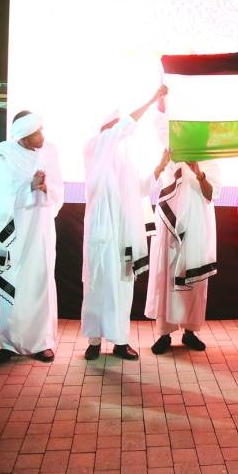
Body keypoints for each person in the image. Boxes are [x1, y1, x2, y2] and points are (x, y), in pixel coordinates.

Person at [80, 87, 166, 361]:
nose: (120, 132)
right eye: (115, 126)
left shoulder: (122, 160)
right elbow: (125, 126)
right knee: (97, 286)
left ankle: (120, 341)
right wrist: (152, 99)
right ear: (107, 128)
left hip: (123, 236)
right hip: (102, 233)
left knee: (122, 286)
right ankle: (94, 342)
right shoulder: (95, 147)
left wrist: (159, 168)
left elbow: (139, 189)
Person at [0, 110, 64, 363]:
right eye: (36, 132)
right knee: (12, 278)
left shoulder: (49, 152)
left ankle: (42, 342)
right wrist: (27, 187)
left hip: (40, 228)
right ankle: (9, 343)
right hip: (14, 230)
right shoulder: (4, 154)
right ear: (23, 135)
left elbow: (58, 189)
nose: (42, 136)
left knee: (40, 280)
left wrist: (45, 187)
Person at [146, 145, 220, 355]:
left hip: (197, 225)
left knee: (193, 278)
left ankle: (190, 332)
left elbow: (211, 193)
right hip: (170, 225)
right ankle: (164, 333)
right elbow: (165, 187)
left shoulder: (210, 157)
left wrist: (198, 173)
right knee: (167, 276)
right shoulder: (172, 153)